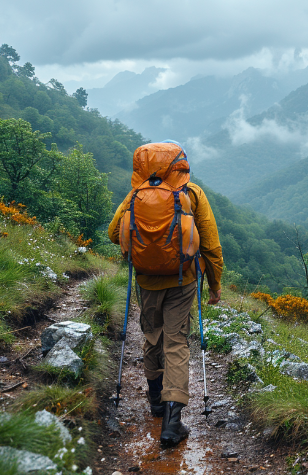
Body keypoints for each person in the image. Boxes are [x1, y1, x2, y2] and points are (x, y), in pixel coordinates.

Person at [108, 140, 223, 447]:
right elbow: (210, 245)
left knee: (152, 336)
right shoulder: (192, 193)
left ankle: (156, 403)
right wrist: (215, 284)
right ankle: (172, 423)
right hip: (182, 280)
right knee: (176, 342)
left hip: (146, 280)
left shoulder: (136, 194)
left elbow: (112, 231)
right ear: (178, 165)